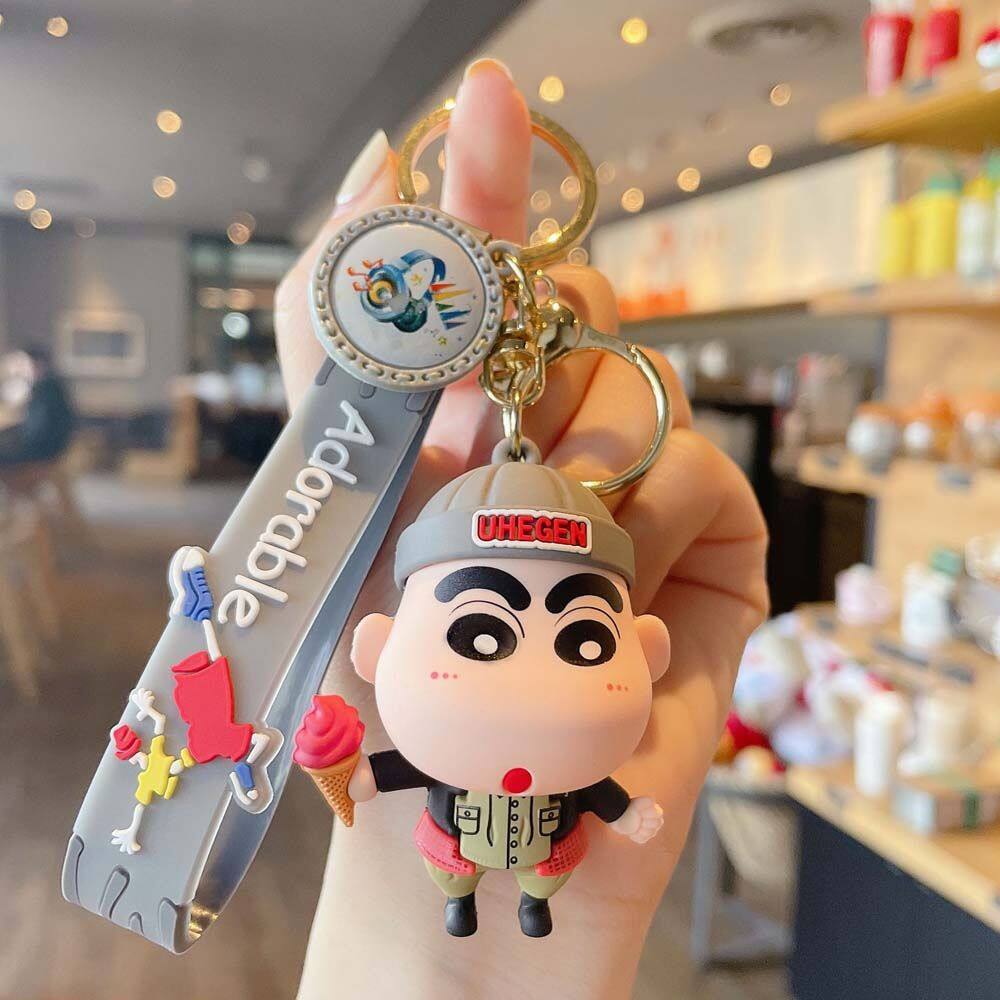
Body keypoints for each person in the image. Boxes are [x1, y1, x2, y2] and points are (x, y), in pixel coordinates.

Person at [277, 59, 768, 1000]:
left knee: (540, 875)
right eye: (478, 633)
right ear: (374, 648)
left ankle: (531, 909)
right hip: (444, 852)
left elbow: (610, 799)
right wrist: (338, 769)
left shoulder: (569, 772)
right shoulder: (429, 756)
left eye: (586, 639)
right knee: (448, 869)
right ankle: (461, 908)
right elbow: (366, 788)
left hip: (553, 856)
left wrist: (628, 821)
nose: (529, 679)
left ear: (647, 649)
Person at [0, 347, 76, 466]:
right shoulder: (52, 385)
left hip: (45, 450)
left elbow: (35, 431)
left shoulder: (44, 389)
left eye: (24, 364)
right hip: (54, 446)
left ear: (37, 364)